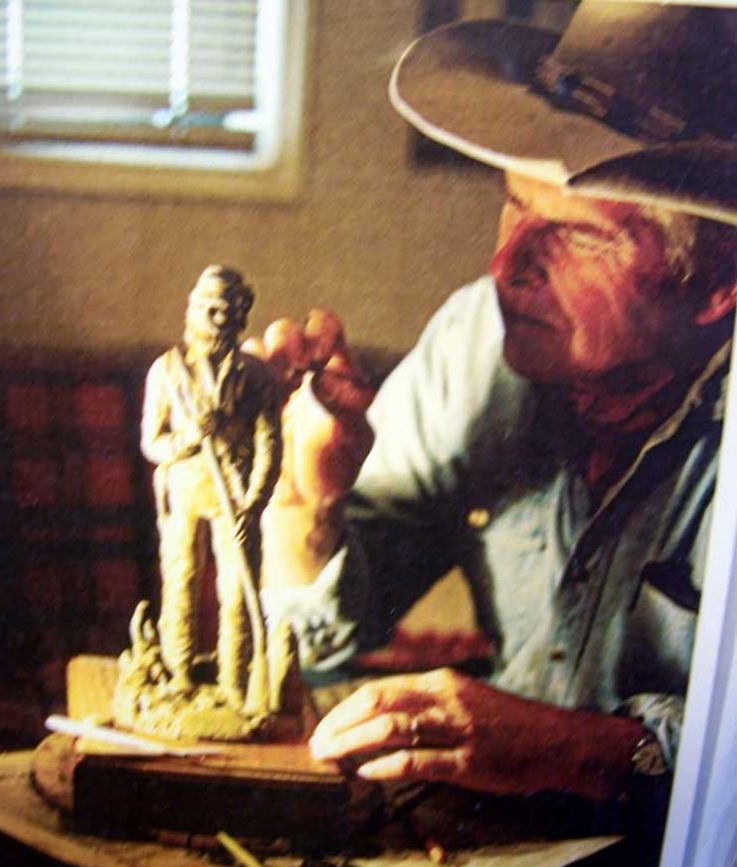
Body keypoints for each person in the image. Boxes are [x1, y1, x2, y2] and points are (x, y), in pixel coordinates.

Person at [255, 0, 737, 811]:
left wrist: (571, 751)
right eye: (514, 205)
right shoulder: (476, 340)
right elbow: (317, 644)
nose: (504, 265)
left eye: (577, 235)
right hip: (504, 848)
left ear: (718, 285)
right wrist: (308, 498)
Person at [141, 265, 281, 709]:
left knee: (237, 590)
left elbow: (269, 442)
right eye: (212, 311)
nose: (220, 321)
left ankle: (234, 680)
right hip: (183, 492)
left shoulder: (256, 377)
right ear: (194, 311)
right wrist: (187, 437)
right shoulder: (167, 372)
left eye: (230, 312)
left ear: (242, 318)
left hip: (234, 497)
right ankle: (179, 675)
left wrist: (254, 503)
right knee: (180, 581)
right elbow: (151, 442)